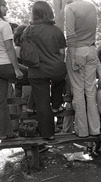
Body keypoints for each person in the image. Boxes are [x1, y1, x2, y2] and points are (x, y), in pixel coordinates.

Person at [27, 1, 66, 140]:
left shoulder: (29, 30)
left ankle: (48, 134)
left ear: (35, 13)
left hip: (36, 71)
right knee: (60, 80)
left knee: (42, 103)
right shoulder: (57, 31)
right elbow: (62, 53)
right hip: (56, 69)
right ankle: (56, 104)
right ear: (49, 12)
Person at [65, 0, 101, 137]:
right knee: (91, 92)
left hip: (77, 51)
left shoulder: (70, 8)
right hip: (91, 50)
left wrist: (73, 57)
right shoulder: (92, 6)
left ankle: (82, 131)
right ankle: (95, 128)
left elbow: (70, 36)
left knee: (78, 92)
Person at [0, 0, 23, 139]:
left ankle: (6, 133)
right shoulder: (4, 25)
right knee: (34, 76)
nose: (7, 8)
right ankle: (31, 121)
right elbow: (9, 48)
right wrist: (17, 70)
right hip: (5, 66)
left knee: (1, 102)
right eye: (3, 5)